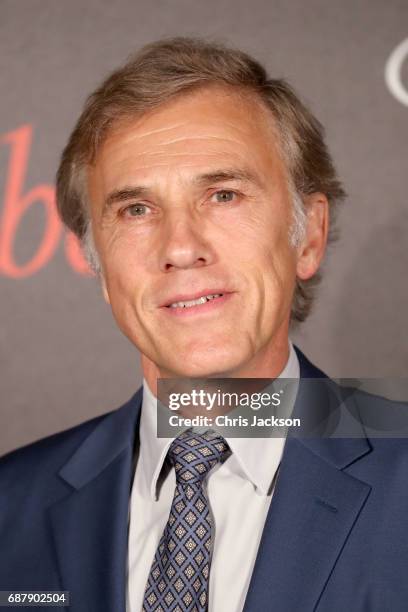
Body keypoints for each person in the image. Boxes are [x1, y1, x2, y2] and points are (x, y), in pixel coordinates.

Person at [0, 37, 407, 612]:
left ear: (308, 236)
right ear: (96, 261)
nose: (181, 247)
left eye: (223, 195)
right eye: (135, 210)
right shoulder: (12, 502)